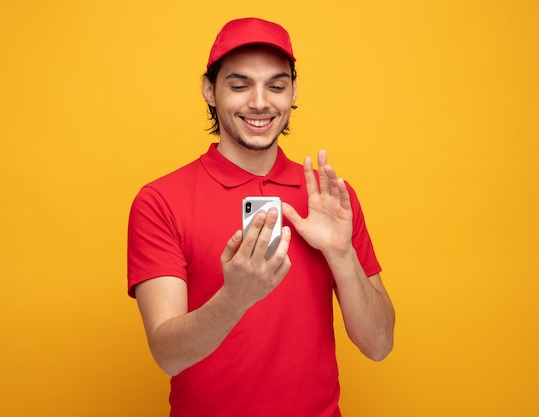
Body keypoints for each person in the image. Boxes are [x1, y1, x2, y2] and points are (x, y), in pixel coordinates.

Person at [127, 17, 395, 417]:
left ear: (293, 92)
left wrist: (342, 255)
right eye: (239, 85)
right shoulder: (160, 201)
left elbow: (379, 344)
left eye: (276, 85)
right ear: (210, 91)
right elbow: (168, 355)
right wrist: (235, 298)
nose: (260, 102)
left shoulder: (330, 198)